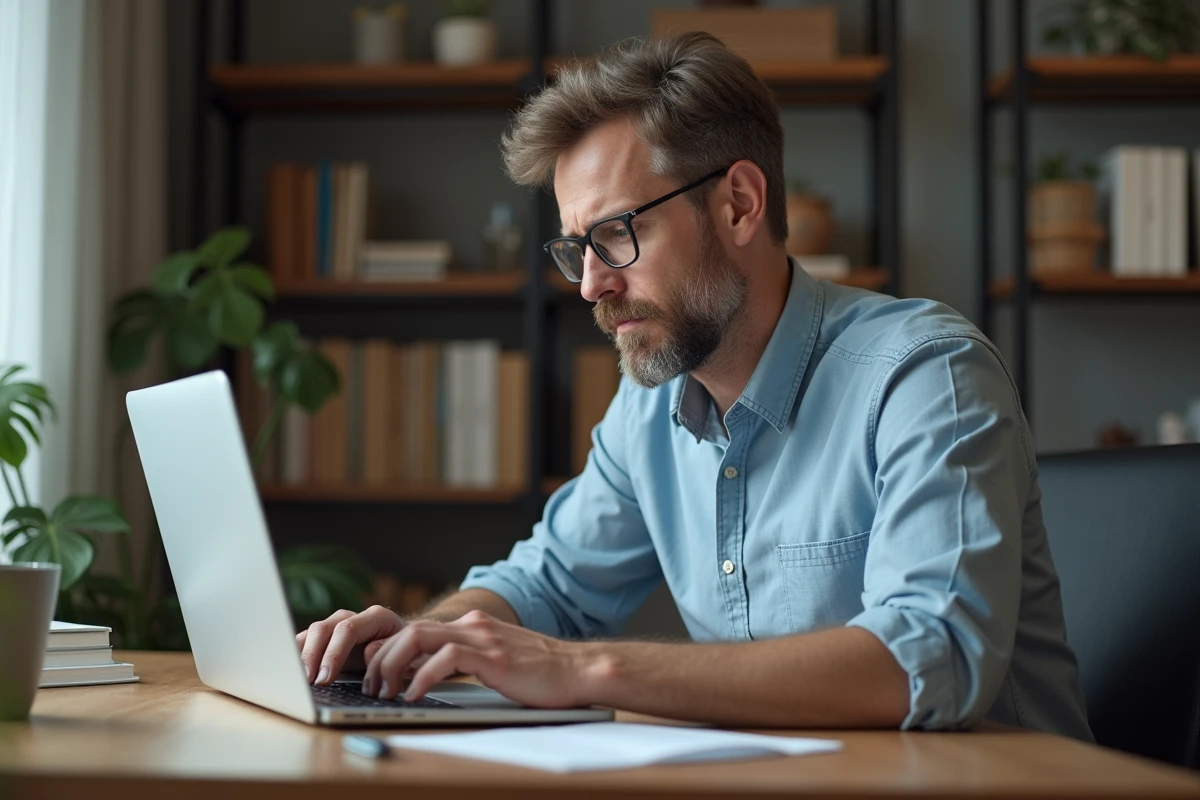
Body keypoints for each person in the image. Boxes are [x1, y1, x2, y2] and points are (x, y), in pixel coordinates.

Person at [297, 32, 1092, 738]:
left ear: (740, 204)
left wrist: (586, 671)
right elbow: (547, 586)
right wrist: (415, 639)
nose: (590, 287)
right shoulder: (649, 405)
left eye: (616, 235)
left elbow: (933, 658)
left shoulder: (926, 376)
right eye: (578, 248)